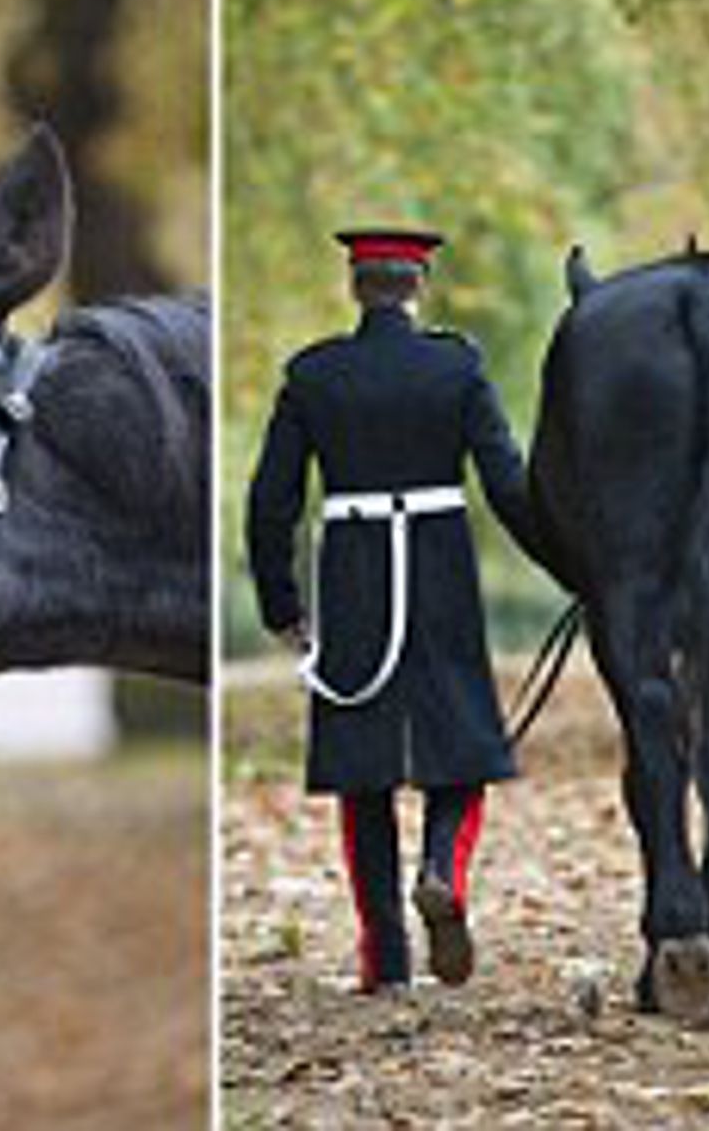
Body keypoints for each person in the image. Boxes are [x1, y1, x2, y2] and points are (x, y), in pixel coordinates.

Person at [245, 229, 539, 993]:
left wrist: (282, 603)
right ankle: (442, 867)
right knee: (463, 741)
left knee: (362, 767)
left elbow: (269, 501)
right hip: (440, 564)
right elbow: (507, 484)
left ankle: (387, 959)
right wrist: (569, 559)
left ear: (356, 285)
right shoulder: (457, 365)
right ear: (418, 284)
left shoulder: (314, 375)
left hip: (353, 576)